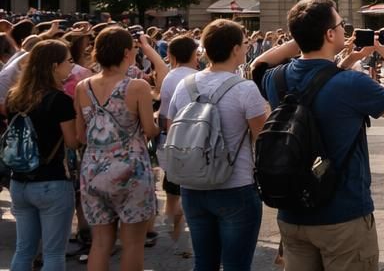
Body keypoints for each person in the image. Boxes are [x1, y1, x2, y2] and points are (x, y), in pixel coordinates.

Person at [251, 0, 384, 270]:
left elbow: (258, 64)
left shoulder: (277, 78)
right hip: (342, 216)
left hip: (293, 214)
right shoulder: (352, 83)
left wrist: (308, 39)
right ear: (329, 34)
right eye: (341, 25)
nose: (345, 29)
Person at [163, 20, 270, 271]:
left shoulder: (185, 85)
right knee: (236, 265)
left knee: (204, 262)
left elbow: (171, 128)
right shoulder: (245, 89)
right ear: (235, 49)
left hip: (192, 184)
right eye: (244, 44)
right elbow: (262, 139)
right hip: (235, 185)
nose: (246, 49)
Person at [75, 25, 159, 271]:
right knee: (133, 243)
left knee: (100, 243)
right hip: (130, 169)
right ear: (125, 53)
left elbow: (81, 135)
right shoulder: (136, 87)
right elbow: (149, 129)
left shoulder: (83, 87)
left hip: (92, 169)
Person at [5, 40, 79, 271]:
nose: (72, 66)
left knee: (24, 249)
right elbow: (72, 142)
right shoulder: (60, 101)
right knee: (54, 253)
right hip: (52, 181)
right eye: (69, 61)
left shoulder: (14, 97)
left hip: (19, 180)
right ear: (54, 66)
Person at [157, 33, 202, 257]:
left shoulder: (169, 76)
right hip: (192, 142)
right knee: (188, 191)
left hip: (169, 140)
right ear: (195, 54)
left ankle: (170, 229)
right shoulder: (197, 77)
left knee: (172, 187)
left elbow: (165, 115)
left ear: (171, 55)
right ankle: (180, 233)